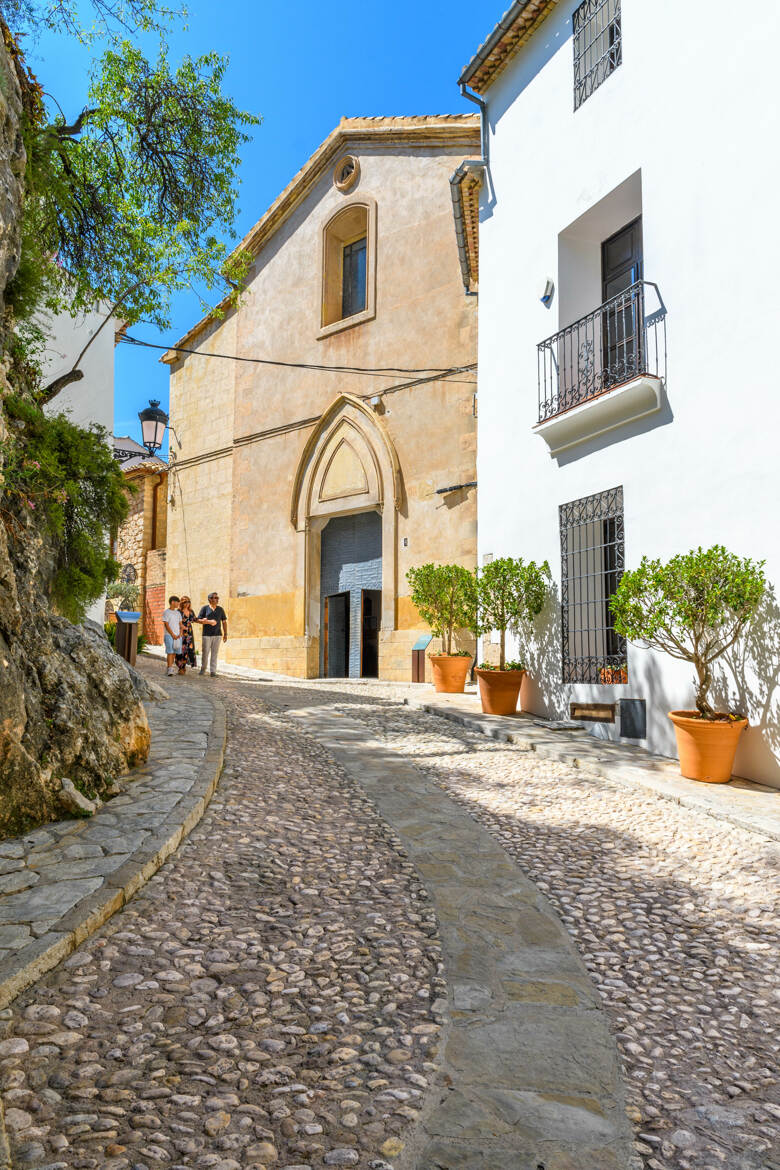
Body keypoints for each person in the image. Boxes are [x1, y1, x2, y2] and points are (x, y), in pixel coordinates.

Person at [197, 591, 227, 677]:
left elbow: (224, 622)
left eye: (217, 598)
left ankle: (213, 671)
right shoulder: (205, 608)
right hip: (206, 635)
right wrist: (207, 622)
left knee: (214, 653)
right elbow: (198, 620)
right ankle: (203, 669)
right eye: (215, 598)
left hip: (217, 635)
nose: (217, 599)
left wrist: (225, 634)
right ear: (210, 599)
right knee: (205, 653)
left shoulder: (220, 609)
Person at [175, 596, 198, 675]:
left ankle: (183, 667)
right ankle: (180, 667)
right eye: (185, 602)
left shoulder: (191, 611)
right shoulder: (178, 611)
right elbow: (176, 622)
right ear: (181, 603)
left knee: (188, 650)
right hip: (180, 632)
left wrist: (207, 621)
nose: (187, 603)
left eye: (188, 602)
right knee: (180, 651)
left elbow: (195, 619)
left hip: (189, 633)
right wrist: (181, 628)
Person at [162, 595, 182, 677]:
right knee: (170, 652)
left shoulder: (178, 613)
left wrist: (180, 633)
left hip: (177, 636)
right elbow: (166, 625)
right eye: (177, 602)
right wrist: (172, 634)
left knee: (174, 652)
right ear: (172, 602)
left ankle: (170, 667)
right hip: (169, 635)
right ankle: (170, 669)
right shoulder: (166, 612)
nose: (178, 604)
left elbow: (180, 624)